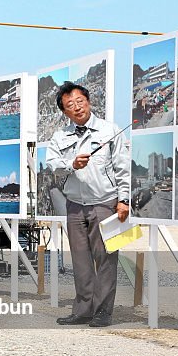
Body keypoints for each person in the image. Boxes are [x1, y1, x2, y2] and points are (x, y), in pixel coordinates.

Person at [46, 82, 130, 328]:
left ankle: (103, 311)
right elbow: (52, 163)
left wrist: (123, 200)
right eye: (69, 105)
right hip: (74, 205)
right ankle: (83, 310)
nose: (76, 107)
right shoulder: (60, 136)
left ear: (89, 101)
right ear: (64, 112)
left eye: (80, 101)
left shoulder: (109, 129)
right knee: (81, 261)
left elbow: (123, 168)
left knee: (105, 259)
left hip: (105, 203)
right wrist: (72, 163)